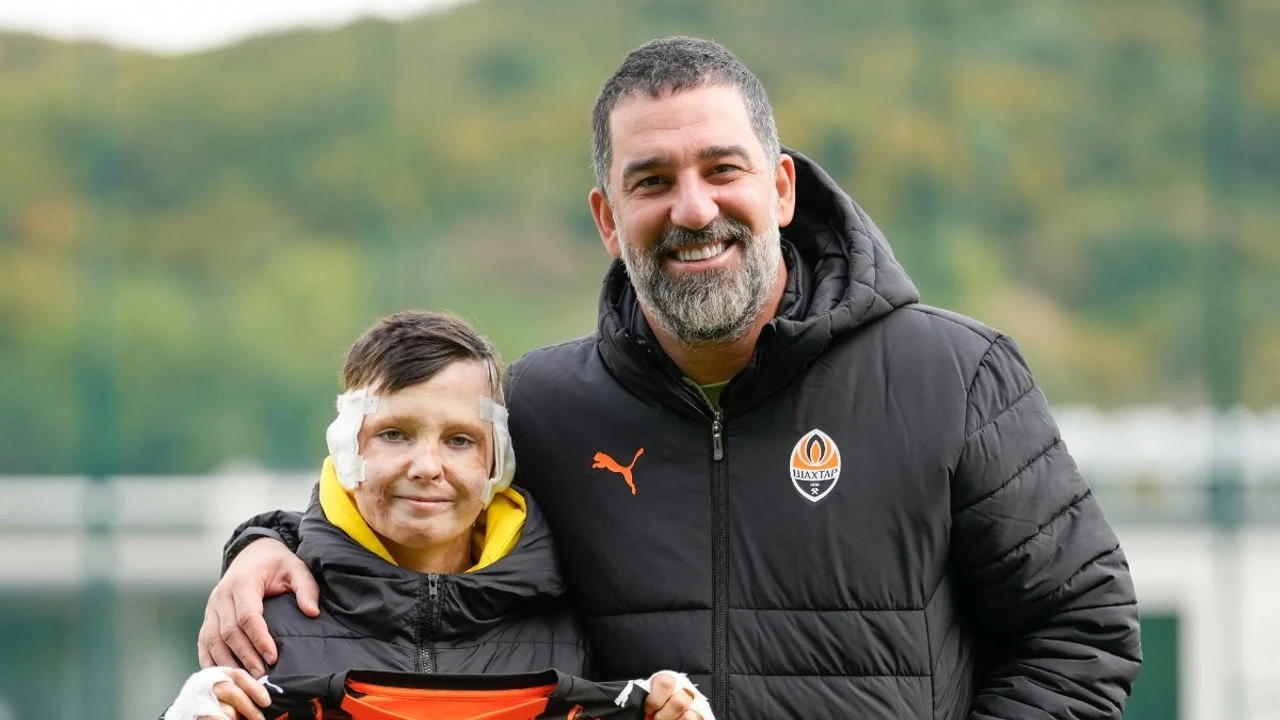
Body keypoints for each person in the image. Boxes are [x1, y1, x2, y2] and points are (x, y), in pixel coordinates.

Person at [199, 36, 1142, 719]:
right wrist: (266, 542)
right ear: (608, 219)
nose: (693, 209)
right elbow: (408, 505)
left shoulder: (955, 376)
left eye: (721, 169)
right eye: (652, 181)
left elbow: (1083, 631)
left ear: (780, 189)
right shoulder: (542, 408)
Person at [164, 310, 709, 720]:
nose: (427, 467)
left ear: (498, 462)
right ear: (347, 449)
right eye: (393, 434)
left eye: (459, 440)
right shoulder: (263, 625)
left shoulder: (578, 614)